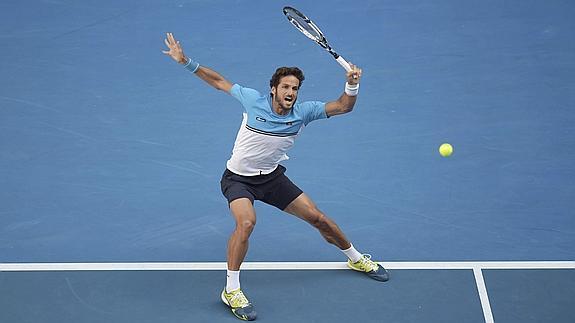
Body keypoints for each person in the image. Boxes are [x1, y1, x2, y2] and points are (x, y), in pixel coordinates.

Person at [163, 32, 388, 321]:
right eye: (285, 86)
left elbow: (343, 106)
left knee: (318, 218)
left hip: (271, 179)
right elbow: (219, 82)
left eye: (295, 88)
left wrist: (352, 84)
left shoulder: (304, 113)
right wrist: (185, 62)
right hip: (238, 180)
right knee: (246, 222)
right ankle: (231, 290)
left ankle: (356, 259)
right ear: (273, 89)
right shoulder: (253, 101)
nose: (290, 92)